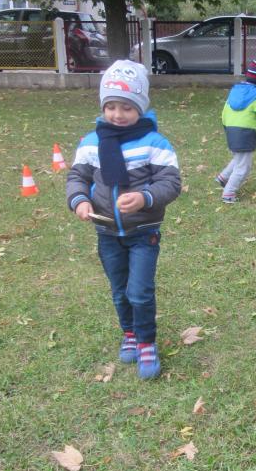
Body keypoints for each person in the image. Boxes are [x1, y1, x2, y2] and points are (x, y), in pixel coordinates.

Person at [66, 59, 181, 379]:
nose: (118, 114)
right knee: (119, 290)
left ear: (140, 107)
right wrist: (79, 200)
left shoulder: (154, 143)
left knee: (139, 291)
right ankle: (129, 332)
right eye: (111, 106)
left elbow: (171, 183)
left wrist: (145, 197)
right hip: (106, 232)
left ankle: (146, 342)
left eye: (127, 107)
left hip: (143, 233)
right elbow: (77, 176)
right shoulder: (91, 143)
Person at [215, 58, 256, 203]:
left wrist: (227, 127)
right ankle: (228, 193)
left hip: (231, 130)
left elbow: (224, 112)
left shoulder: (234, 91)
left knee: (239, 158)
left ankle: (223, 177)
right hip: (246, 133)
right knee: (243, 166)